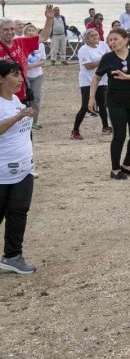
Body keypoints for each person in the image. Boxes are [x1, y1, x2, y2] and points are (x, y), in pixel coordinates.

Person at [90, 28, 130, 179]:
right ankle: (115, 169)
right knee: (120, 135)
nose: (112, 42)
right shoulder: (107, 58)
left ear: (125, 39)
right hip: (116, 101)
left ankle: (127, 165)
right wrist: (91, 98)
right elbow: (96, 77)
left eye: (115, 39)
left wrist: (128, 77)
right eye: (110, 40)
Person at [0, 60, 36, 275]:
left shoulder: (15, 99)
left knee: (19, 212)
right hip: (2, 172)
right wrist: (19, 116)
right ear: (1, 79)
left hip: (24, 170)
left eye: (19, 74)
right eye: (14, 75)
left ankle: (12, 256)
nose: (20, 79)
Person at [0, 6, 54, 104]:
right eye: (5, 30)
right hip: (3, 96)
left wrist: (49, 19)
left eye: (12, 29)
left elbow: (43, 36)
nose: (10, 32)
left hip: (21, 93)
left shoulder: (21, 42)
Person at [72, 29, 111, 139]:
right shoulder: (83, 50)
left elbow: (110, 56)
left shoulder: (103, 45)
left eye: (96, 35)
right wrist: (103, 62)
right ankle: (75, 131)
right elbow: (88, 66)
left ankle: (105, 127)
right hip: (87, 80)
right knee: (85, 106)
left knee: (103, 104)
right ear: (86, 39)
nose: (95, 37)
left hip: (101, 80)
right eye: (92, 36)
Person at [21, 25, 45, 129]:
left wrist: (32, 65)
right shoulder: (21, 44)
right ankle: (25, 120)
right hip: (25, 76)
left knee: (36, 98)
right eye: (29, 31)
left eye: (33, 31)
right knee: (25, 98)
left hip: (37, 75)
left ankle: (34, 121)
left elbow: (43, 61)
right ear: (25, 33)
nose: (31, 32)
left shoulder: (41, 45)